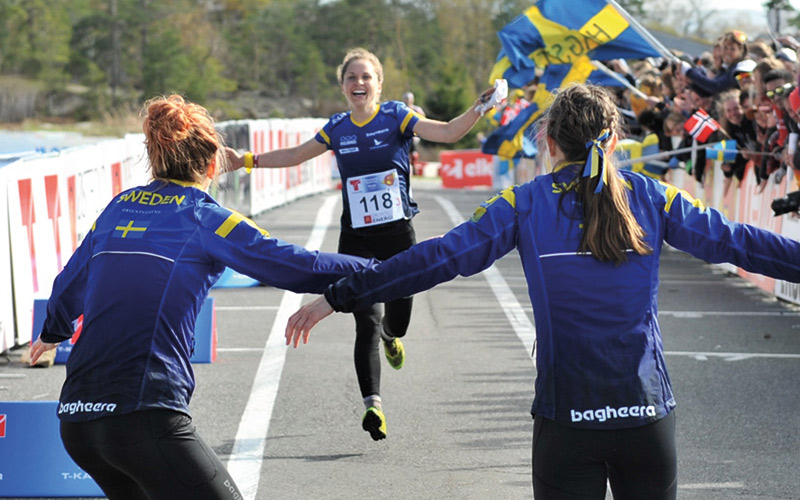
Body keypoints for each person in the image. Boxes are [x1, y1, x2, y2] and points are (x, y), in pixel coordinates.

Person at [284, 83, 800, 499]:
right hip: (646, 415)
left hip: (566, 418)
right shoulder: (651, 195)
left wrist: (342, 295)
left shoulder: (524, 203)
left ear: (549, 142)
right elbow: (741, 244)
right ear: (615, 142)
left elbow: (436, 258)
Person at [27, 95, 376, 500]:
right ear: (213, 164)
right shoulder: (204, 216)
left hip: (78, 422)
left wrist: (53, 332)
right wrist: (382, 270)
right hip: (144, 415)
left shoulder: (117, 207)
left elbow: (68, 284)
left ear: (155, 160)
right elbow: (299, 266)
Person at [225, 47, 497, 441]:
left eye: (366, 76)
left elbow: (447, 132)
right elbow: (297, 154)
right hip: (357, 238)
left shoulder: (396, 117)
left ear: (379, 84)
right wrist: (245, 160)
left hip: (398, 236)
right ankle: (373, 405)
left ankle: (393, 337)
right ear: (343, 86)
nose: (359, 83)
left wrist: (480, 108)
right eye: (351, 77)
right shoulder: (337, 128)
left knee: (395, 322)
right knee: (365, 318)